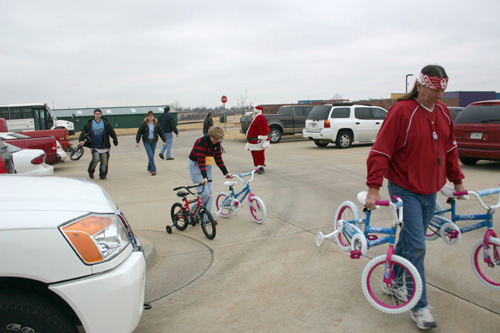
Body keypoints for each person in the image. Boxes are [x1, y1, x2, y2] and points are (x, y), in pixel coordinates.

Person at [365, 65, 466, 330]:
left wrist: (457, 181)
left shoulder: (443, 112)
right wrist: (374, 188)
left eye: (442, 89)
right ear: (419, 85)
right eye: (433, 88)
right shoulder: (401, 111)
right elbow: (381, 151)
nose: (438, 94)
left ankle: (396, 282)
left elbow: (451, 149)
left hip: (430, 189)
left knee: (410, 242)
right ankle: (419, 305)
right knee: (417, 245)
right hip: (404, 189)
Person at [188, 126, 232, 214]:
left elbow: (218, 159)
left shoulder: (217, 144)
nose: (218, 141)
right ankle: (192, 212)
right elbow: (201, 161)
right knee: (205, 194)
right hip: (196, 166)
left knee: (210, 194)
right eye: (216, 139)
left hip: (207, 166)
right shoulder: (201, 143)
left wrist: (226, 172)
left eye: (219, 139)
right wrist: (204, 177)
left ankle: (206, 217)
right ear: (211, 136)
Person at [79, 108, 118, 180]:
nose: (97, 115)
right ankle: (91, 171)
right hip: (94, 145)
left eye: (99, 114)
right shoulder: (90, 123)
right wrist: (81, 140)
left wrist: (115, 140)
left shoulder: (105, 123)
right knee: (96, 159)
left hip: (104, 146)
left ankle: (103, 175)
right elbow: (84, 132)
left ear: (101, 115)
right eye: (96, 114)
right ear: (94, 114)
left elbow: (111, 132)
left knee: (104, 162)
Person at [136, 111, 166, 176]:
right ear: (147, 117)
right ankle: (153, 169)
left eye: (151, 116)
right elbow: (139, 133)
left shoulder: (156, 124)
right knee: (150, 155)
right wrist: (137, 141)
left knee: (152, 155)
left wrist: (164, 140)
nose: (150, 117)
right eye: (149, 116)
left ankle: (149, 167)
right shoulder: (144, 124)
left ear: (153, 116)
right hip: (146, 142)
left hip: (153, 141)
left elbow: (161, 132)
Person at [245, 106, 270, 174]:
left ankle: (261, 167)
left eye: (255, 111)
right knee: (255, 154)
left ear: (257, 111)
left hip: (257, 140)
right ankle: (258, 166)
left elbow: (264, 129)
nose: (254, 113)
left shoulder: (260, 118)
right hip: (253, 140)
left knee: (259, 154)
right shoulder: (256, 117)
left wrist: (264, 139)